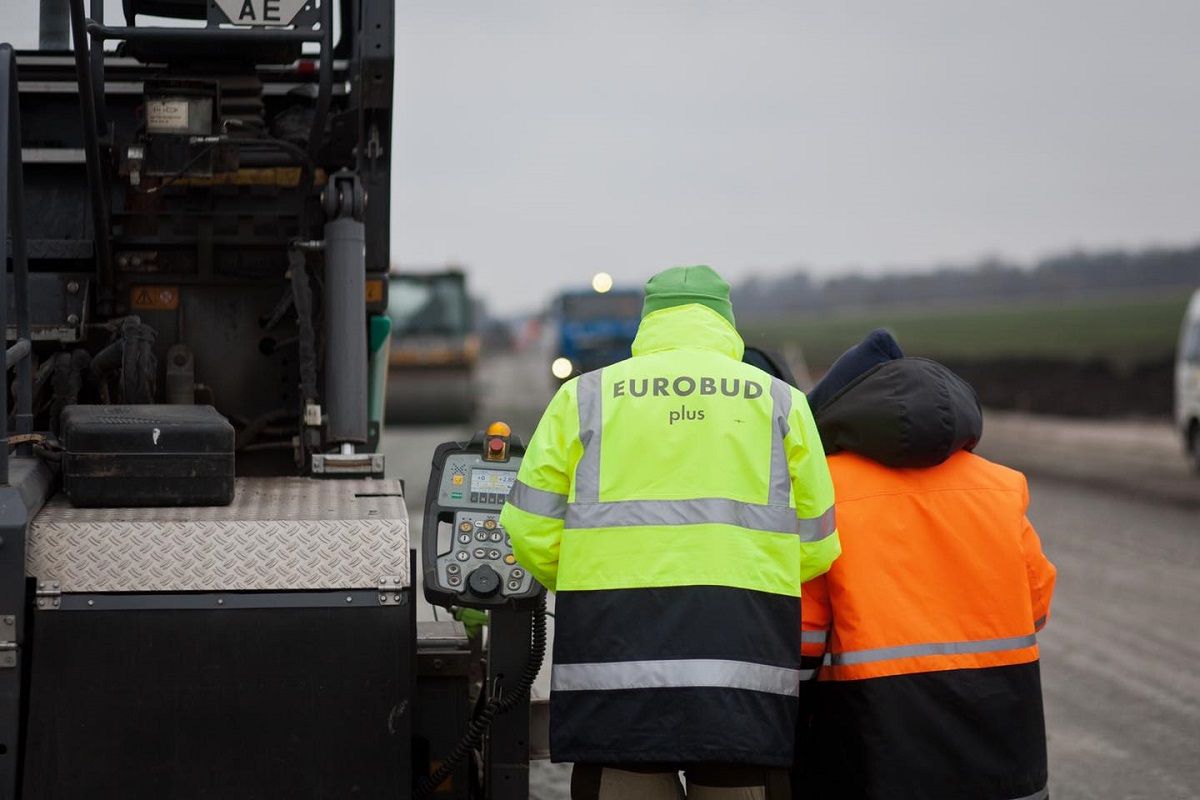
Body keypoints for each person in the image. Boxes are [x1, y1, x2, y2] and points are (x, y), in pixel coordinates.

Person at [500, 265, 841, 800]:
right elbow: (818, 545)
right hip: (741, 664)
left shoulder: (584, 398)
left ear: (648, 321)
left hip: (613, 663)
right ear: (727, 320)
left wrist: (587, 581)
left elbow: (528, 529)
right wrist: (747, 570)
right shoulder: (782, 403)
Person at [794, 330, 1057, 800]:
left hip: (874, 740)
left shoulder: (825, 491)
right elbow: (1035, 606)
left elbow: (805, 637)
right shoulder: (1002, 486)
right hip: (1000, 732)